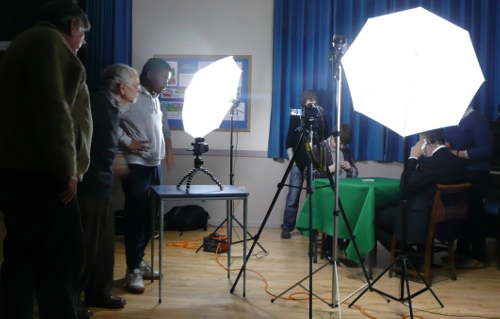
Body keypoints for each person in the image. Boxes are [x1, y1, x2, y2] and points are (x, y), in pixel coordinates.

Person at [0, 1, 92, 318]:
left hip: (20, 169)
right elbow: (54, 109)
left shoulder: (25, 41)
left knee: (22, 255)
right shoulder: (48, 41)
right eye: (82, 34)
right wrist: (68, 168)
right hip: (42, 172)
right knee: (63, 255)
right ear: (72, 26)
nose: (82, 43)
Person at [77, 64, 142, 311]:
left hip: (102, 186)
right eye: (135, 86)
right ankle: (72, 299)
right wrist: (115, 158)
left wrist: (116, 157)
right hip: (89, 187)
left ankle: (99, 293)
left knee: (104, 247)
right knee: (86, 247)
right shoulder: (97, 104)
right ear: (122, 87)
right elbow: (96, 146)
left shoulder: (111, 106)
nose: (138, 90)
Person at [119, 58, 175, 293]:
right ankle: (132, 270)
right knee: (136, 218)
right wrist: (126, 142)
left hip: (154, 165)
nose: (166, 83)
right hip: (136, 165)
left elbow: (162, 127)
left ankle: (139, 262)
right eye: (164, 78)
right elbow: (110, 121)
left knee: (151, 218)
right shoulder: (132, 94)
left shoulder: (155, 97)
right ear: (151, 74)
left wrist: (168, 152)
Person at [375, 129, 467, 260]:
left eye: (420, 141)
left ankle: (411, 259)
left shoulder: (432, 163)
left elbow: (405, 187)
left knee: (375, 218)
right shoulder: (458, 162)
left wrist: (413, 157)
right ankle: (415, 255)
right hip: (450, 219)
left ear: (427, 142)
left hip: (425, 218)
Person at [445, 106, 492, 268]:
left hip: (476, 173)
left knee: (473, 212)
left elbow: (486, 150)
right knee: (461, 212)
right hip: (460, 172)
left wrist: (456, 153)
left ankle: (479, 255)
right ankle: (462, 251)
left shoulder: (477, 119)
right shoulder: (452, 120)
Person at [281, 89, 329, 239]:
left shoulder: (321, 117)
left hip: (314, 162)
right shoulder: (296, 114)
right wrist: (292, 158)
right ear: (304, 101)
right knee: (293, 196)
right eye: (309, 100)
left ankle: (308, 227)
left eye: (314, 100)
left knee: (312, 196)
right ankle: (287, 227)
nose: (312, 102)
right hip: (297, 162)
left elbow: (324, 140)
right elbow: (289, 139)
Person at [311, 124, 358, 260]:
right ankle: (328, 248)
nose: (342, 147)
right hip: (325, 193)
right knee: (336, 212)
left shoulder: (346, 152)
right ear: (332, 137)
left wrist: (350, 169)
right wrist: (328, 170)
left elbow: (356, 173)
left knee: (353, 209)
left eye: (344, 144)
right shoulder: (319, 148)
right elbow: (309, 174)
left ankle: (348, 247)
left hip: (344, 191)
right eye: (340, 143)